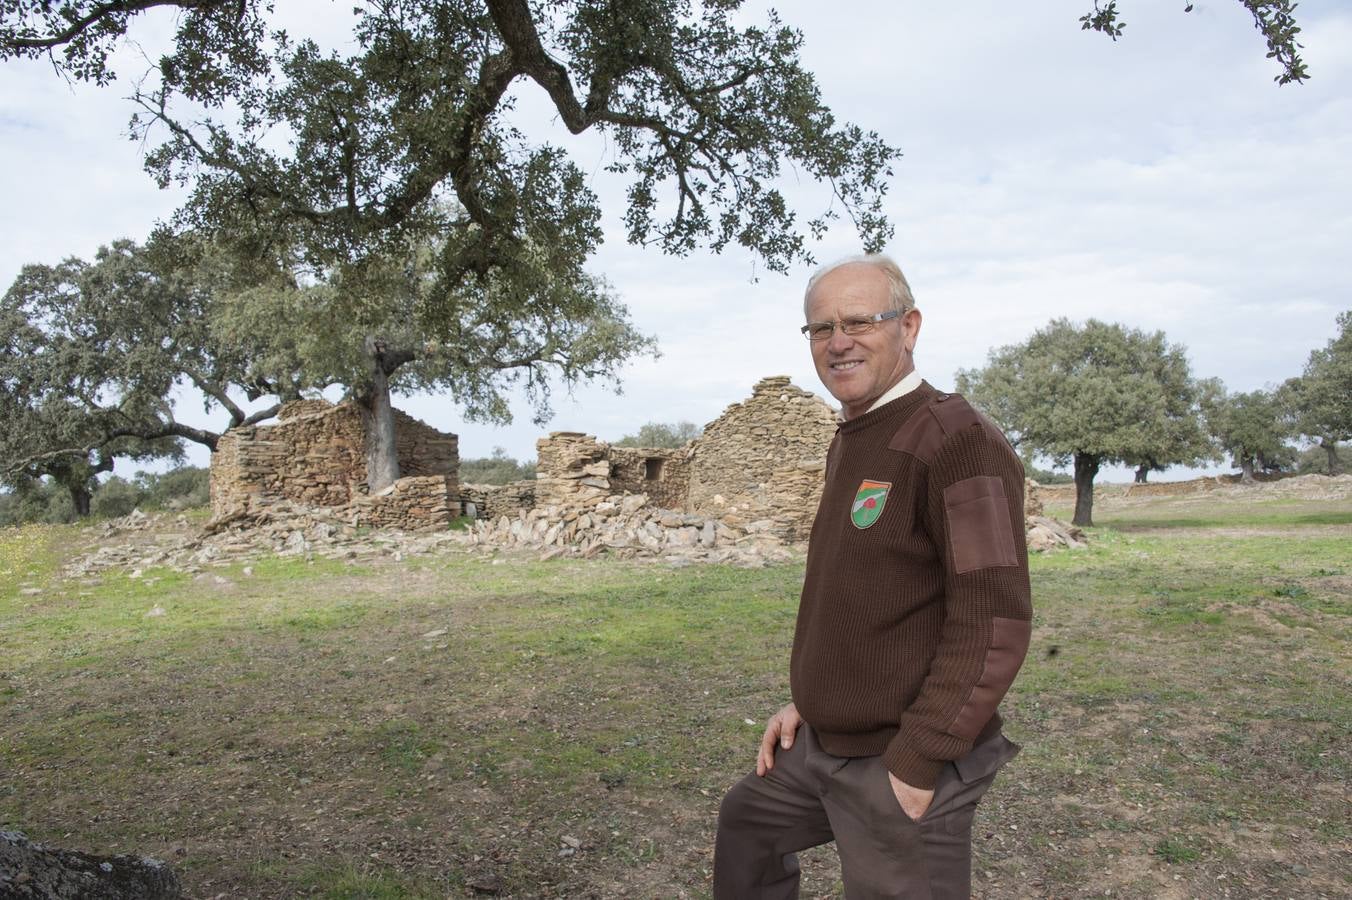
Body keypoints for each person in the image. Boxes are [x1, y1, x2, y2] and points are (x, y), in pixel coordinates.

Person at [713, 254, 1033, 899]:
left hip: (900, 753)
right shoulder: (854, 436)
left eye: (860, 321)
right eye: (820, 328)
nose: (838, 342)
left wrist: (921, 757)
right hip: (825, 745)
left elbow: (993, 619)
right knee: (749, 823)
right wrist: (814, 699)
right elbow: (869, 594)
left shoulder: (954, 438)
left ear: (909, 327)